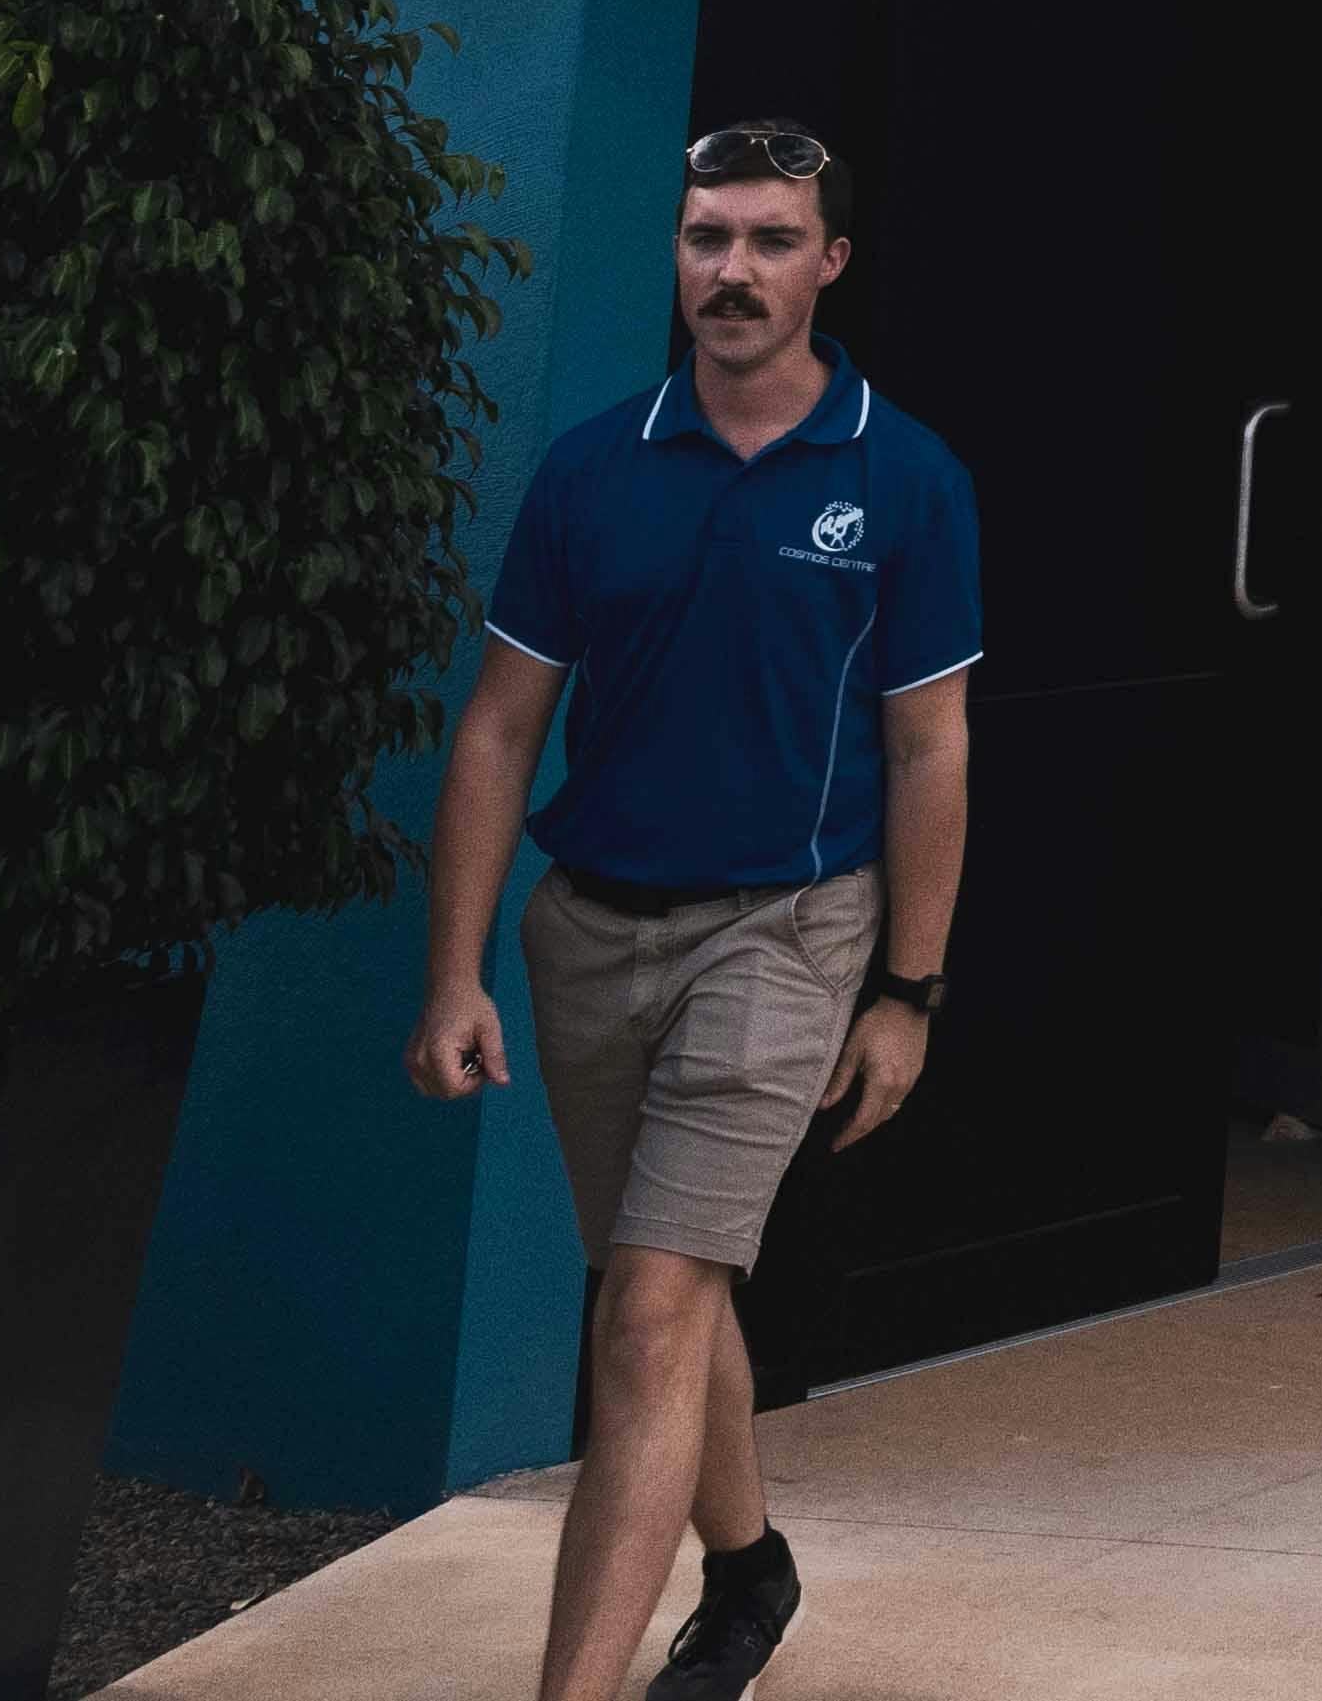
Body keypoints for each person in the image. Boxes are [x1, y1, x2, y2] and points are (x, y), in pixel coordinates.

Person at [410, 120, 980, 1701]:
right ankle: (748, 1565)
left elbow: (929, 742)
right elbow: (499, 726)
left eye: (770, 239)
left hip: (787, 929)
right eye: (707, 236)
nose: (732, 269)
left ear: (831, 261)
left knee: (652, 1304)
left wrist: (906, 990)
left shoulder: (904, 475)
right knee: (669, 1282)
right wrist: (454, 968)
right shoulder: (596, 467)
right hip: (587, 931)